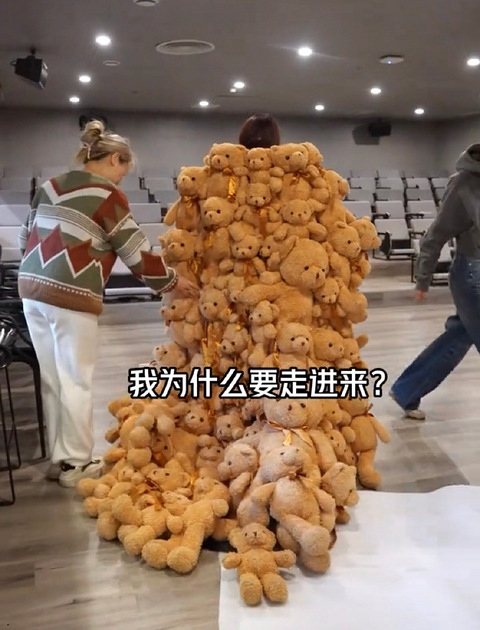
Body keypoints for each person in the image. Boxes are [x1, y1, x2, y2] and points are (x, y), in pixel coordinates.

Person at [17, 120, 199, 487]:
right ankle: (75, 464)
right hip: (71, 295)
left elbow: (25, 236)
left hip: (31, 290)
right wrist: (173, 281)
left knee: (53, 378)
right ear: (115, 159)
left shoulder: (50, 186)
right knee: (76, 379)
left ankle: (59, 457)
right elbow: (135, 253)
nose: (121, 181)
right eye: (123, 172)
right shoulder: (107, 195)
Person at [390, 143, 480, 420]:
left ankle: (406, 390)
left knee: (458, 337)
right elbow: (436, 234)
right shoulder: (463, 184)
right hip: (473, 274)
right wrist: (423, 277)